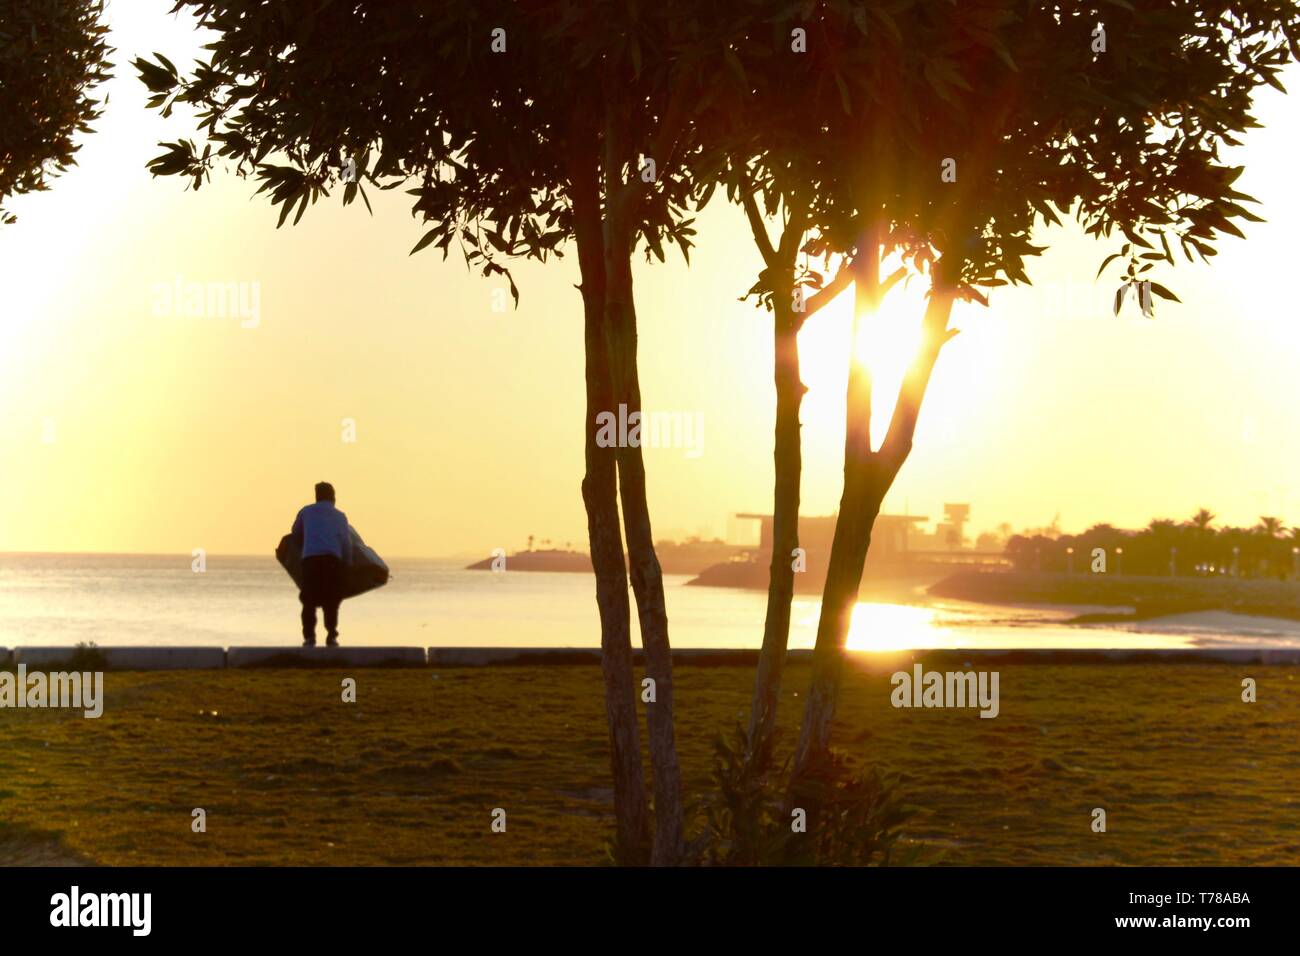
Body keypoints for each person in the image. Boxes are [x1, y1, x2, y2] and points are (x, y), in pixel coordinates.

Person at [290, 481, 352, 647]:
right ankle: (331, 636)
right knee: (331, 600)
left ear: (316, 496)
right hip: (332, 561)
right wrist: (348, 564)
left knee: (308, 600)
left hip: (310, 560)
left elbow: (295, 536)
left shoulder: (306, 512)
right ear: (333, 497)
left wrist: (304, 549)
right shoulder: (340, 516)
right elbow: (346, 543)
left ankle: (309, 637)